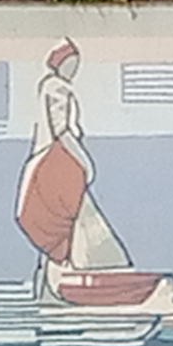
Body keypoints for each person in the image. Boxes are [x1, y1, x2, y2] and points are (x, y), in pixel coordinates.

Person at [15, 39, 132, 299]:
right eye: (70, 63)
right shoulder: (57, 88)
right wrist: (84, 161)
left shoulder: (51, 87)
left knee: (70, 224)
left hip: (53, 159)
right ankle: (83, 274)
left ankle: (55, 280)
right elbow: (62, 130)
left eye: (76, 64)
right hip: (60, 158)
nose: (74, 69)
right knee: (73, 217)